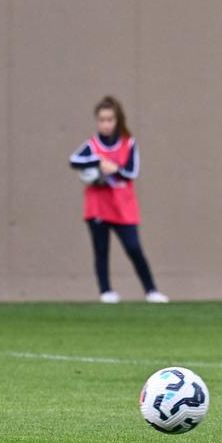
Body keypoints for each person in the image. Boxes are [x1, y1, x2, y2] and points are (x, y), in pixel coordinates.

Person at [69, 96, 168, 304]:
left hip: (123, 205)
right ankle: (106, 291)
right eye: (102, 120)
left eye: (110, 120)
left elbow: (132, 172)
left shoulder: (128, 143)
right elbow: (74, 160)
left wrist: (115, 169)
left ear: (118, 120)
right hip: (98, 206)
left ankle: (151, 290)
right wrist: (98, 162)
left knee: (134, 248)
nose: (105, 124)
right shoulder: (92, 145)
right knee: (101, 249)